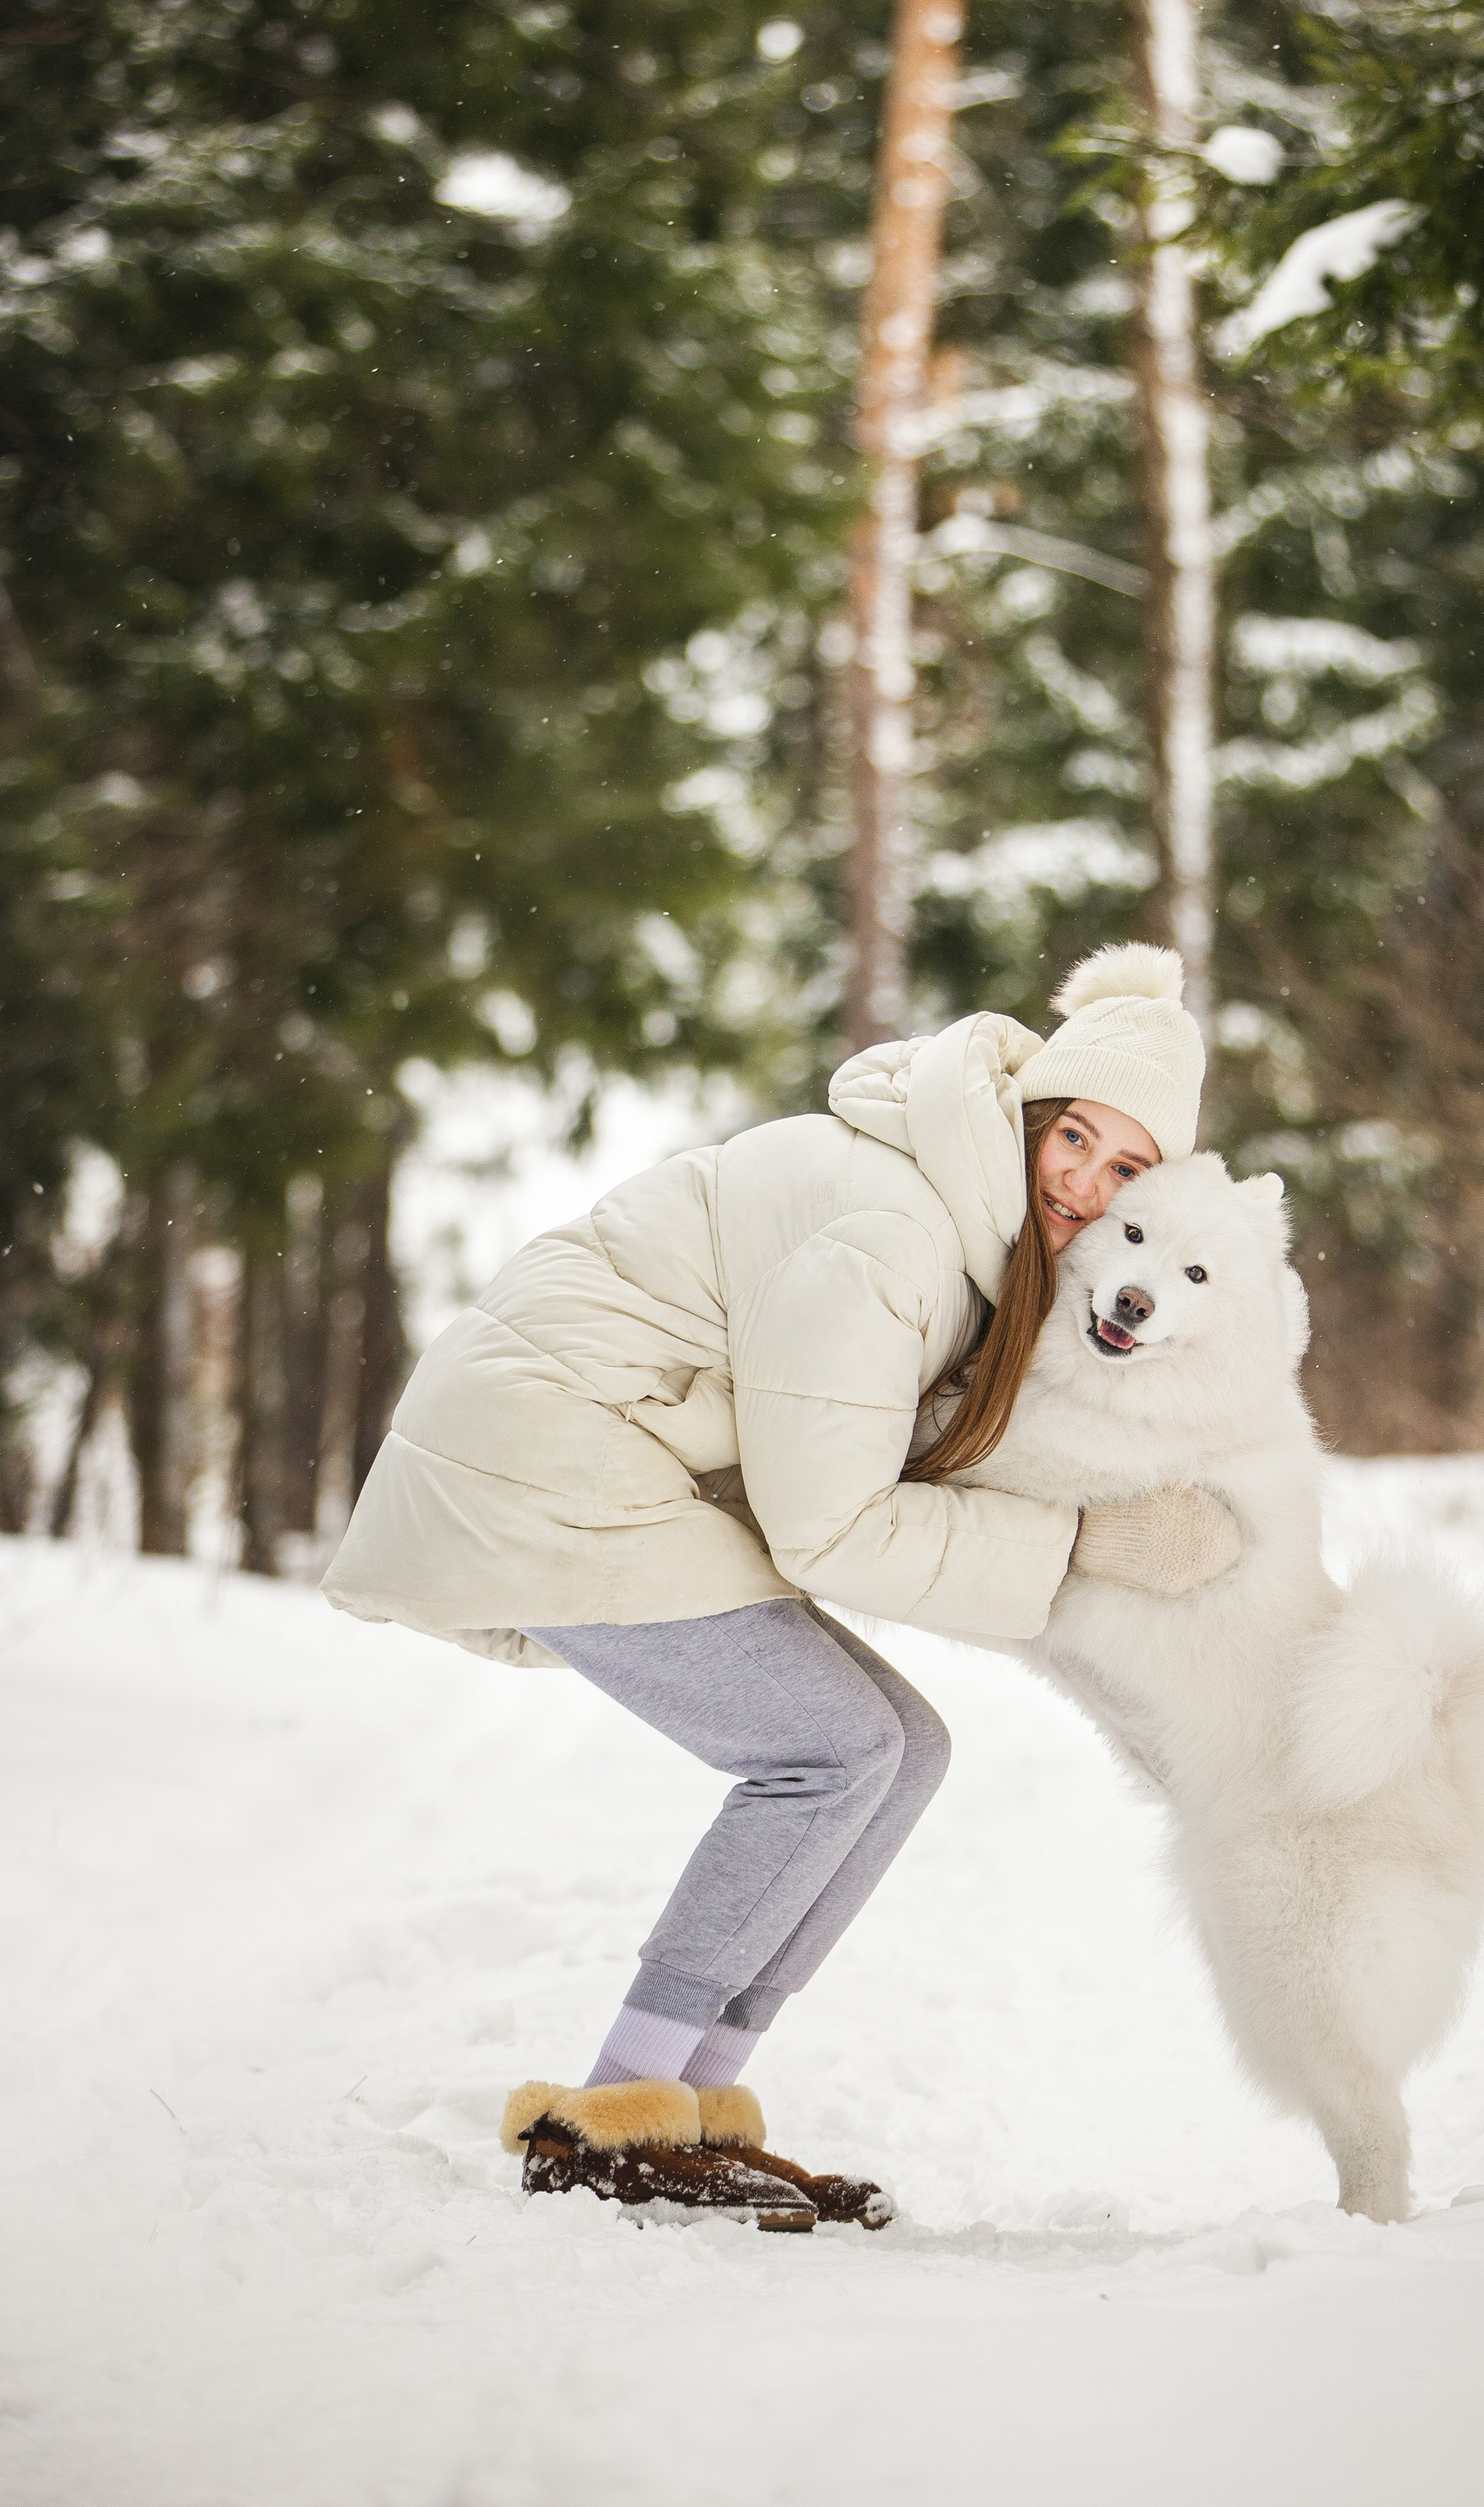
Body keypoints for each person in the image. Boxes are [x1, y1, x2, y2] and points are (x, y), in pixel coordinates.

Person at [321, 943, 1239, 2228]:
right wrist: (1083, 1542)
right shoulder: (900, 1229)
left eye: (1124, 1166)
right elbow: (833, 1525)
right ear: (1032, 1110)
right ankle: (612, 2114)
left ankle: (684, 2111)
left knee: (902, 1749)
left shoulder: (965, 1229)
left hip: (607, 1457)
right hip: (547, 1456)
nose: (1082, 1180)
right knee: (830, 1747)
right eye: (1072, 1135)